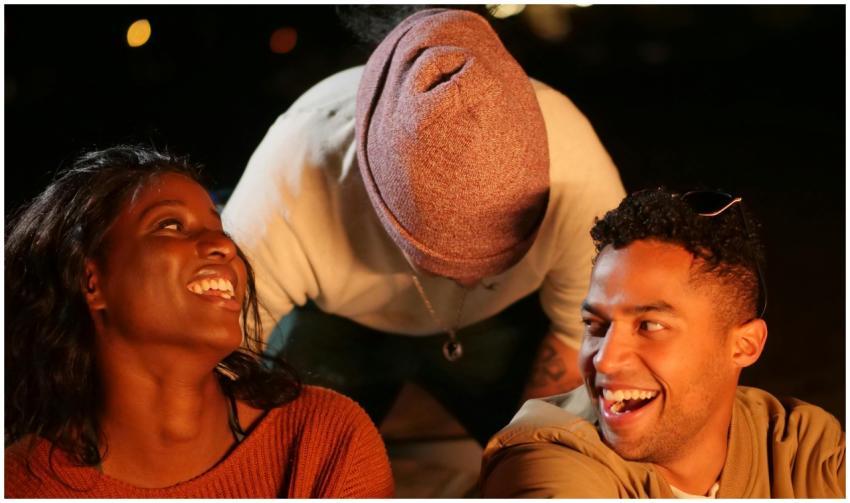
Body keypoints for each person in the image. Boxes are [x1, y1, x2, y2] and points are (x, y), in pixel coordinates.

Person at [222, 7, 625, 444]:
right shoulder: (288, 172)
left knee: (562, 445)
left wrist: (525, 457)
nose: (462, 276)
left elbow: (576, 333)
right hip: (339, 323)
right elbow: (221, 357)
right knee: (288, 448)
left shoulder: (576, 167)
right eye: (435, 249)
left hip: (498, 324)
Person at [4, 145, 394, 498]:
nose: (225, 245)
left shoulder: (324, 439)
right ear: (92, 282)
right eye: (170, 225)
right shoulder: (21, 486)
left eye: (219, 228)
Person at [480, 188, 845, 498]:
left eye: (649, 325)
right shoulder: (547, 463)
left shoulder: (801, 447)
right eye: (596, 324)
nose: (604, 361)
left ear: (744, 346)